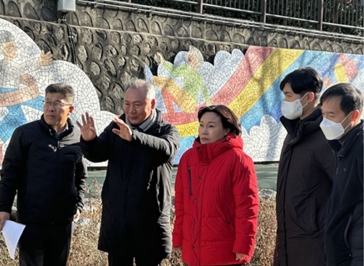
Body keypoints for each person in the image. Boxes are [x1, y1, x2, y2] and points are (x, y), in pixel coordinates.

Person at [77, 79, 180, 266]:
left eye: (137, 105)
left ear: (152, 104)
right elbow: (98, 154)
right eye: (127, 104)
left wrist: (134, 137)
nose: (131, 110)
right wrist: (89, 141)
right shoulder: (116, 126)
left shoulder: (166, 130)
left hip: (149, 224)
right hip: (118, 222)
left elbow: (166, 150)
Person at [0, 83, 87, 266]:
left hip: (63, 223)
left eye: (57, 103)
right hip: (32, 221)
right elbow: (9, 174)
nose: (50, 108)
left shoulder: (78, 138)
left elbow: (80, 176)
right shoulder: (25, 134)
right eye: (47, 102)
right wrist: (3, 208)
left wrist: (79, 204)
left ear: (70, 108)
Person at [172, 104, 259, 266]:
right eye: (201, 125)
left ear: (227, 130)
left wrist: (244, 246)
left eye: (211, 126)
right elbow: (181, 204)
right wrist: (178, 238)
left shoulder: (239, 160)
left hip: (225, 252)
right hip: (194, 249)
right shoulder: (188, 159)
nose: (204, 131)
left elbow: (247, 208)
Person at [273, 68, 335, 266]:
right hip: (289, 241)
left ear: (308, 97)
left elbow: (347, 190)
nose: (285, 102)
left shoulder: (326, 137)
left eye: (289, 96)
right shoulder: (293, 134)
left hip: (315, 245)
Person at [0, 30, 52, 163]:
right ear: (2, 48)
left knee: (21, 114)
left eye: (14, 45)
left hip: (15, 91)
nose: (13, 49)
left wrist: (38, 62)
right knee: (22, 118)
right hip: (8, 92)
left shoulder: (12, 64)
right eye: (9, 46)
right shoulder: (6, 64)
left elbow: (19, 68)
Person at [319, 83, 363, 266]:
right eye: (323, 115)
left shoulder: (360, 148)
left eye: (332, 116)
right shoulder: (342, 146)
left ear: (353, 116)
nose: (325, 122)